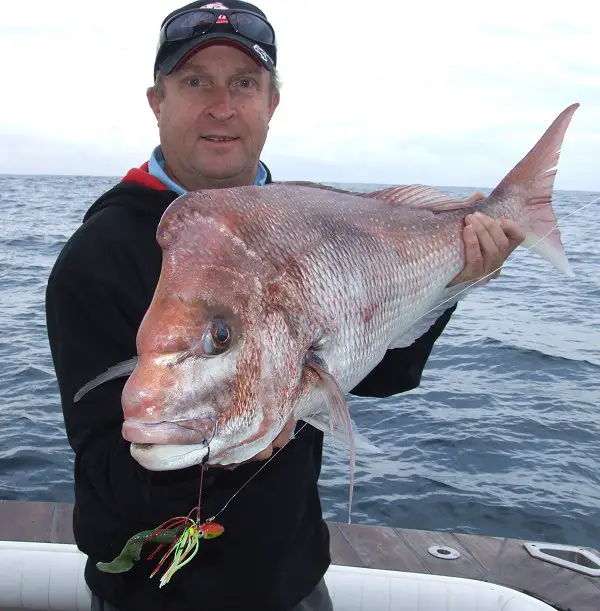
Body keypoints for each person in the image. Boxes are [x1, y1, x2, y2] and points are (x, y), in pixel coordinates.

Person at [45, 2, 524, 610]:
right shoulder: (100, 256)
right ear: (156, 101)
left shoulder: (303, 223)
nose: (222, 106)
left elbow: (382, 374)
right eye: (195, 82)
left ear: (272, 103)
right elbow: (108, 471)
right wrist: (228, 447)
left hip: (294, 582)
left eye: (244, 83)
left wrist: (457, 280)